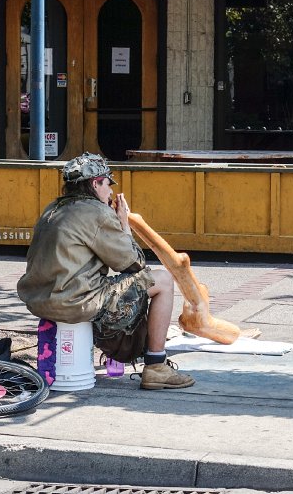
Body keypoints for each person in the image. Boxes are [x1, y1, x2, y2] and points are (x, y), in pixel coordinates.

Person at [17, 152, 195, 390]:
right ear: (95, 183)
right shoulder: (96, 212)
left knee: (119, 283)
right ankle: (155, 365)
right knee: (162, 280)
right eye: (108, 184)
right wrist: (123, 224)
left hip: (39, 300)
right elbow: (134, 264)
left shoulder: (52, 209)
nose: (110, 191)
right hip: (75, 302)